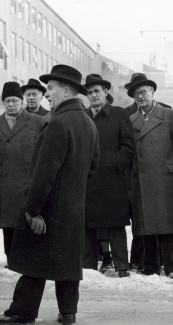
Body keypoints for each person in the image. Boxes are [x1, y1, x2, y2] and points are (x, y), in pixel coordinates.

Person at [0, 64, 100, 325]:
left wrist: (32, 209)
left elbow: (44, 174)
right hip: (73, 208)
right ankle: (68, 312)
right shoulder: (88, 123)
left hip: (48, 209)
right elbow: (93, 168)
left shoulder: (58, 123)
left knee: (33, 261)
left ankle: (22, 312)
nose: (47, 94)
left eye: (51, 89)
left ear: (66, 91)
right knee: (67, 264)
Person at [128, 73, 173, 280]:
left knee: (166, 224)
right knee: (147, 224)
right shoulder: (132, 120)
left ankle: (170, 266)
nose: (140, 96)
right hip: (143, 179)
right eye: (136, 94)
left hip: (166, 178)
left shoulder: (170, 116)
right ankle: (151, 266)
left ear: (153, 92)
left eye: (143, 92)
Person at [83, 74, 135, 278]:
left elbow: (129, 148)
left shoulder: (119, 114)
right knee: (88, 225)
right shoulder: (83, 116)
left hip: (113, 180)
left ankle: (122, 266)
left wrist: (113, 163)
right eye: (89, 92)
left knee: (116, 225)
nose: (93, 95)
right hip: (88, 181)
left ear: (106, 92)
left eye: (97, 91)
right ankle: (88, 268)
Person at [0, 82, 44, 267]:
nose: (11, 105)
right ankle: (11, 261)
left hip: (27, 185)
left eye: (15, 101)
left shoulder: (36, 122)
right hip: (4, 187)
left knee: (27, 225)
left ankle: (28, 263)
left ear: (22, 101)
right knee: (8, 226)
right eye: (7, 101)